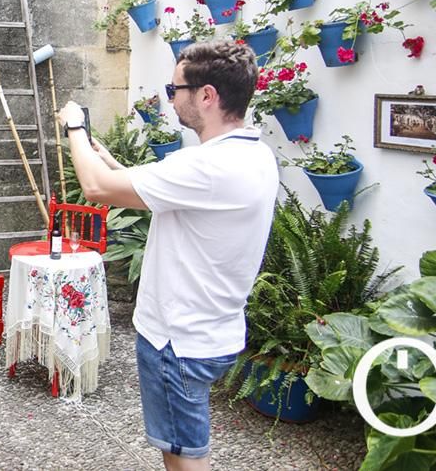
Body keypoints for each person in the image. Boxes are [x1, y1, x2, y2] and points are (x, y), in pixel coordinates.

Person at [57, 40, 278, 471]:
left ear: (207, 96)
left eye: (174, 89)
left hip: (177, 339)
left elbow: (96, 190)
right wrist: (110, 161)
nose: (170, 98)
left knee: (183, 456)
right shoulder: (252, 154)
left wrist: (75, 128)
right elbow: (164, 193)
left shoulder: (207, 167)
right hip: (216, 331)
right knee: (185, 445)